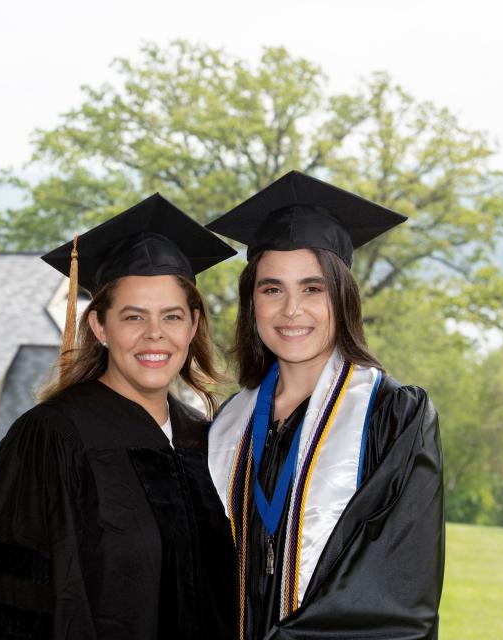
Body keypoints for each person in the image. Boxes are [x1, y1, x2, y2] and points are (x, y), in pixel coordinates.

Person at [0, 194, 238, 639]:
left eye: (171, 316)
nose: (155, 334)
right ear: (99, 327)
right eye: (133, 317)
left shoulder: (208, 441)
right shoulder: (50, 439)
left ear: (192, 326)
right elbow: (3, 605)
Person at [206, 171, 444, 640]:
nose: (291, 310)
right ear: (252, 303)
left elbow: (393, 595)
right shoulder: (227, 424)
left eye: (312, 288)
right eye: (271, 289)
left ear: (342, 296)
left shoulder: (394, 417)